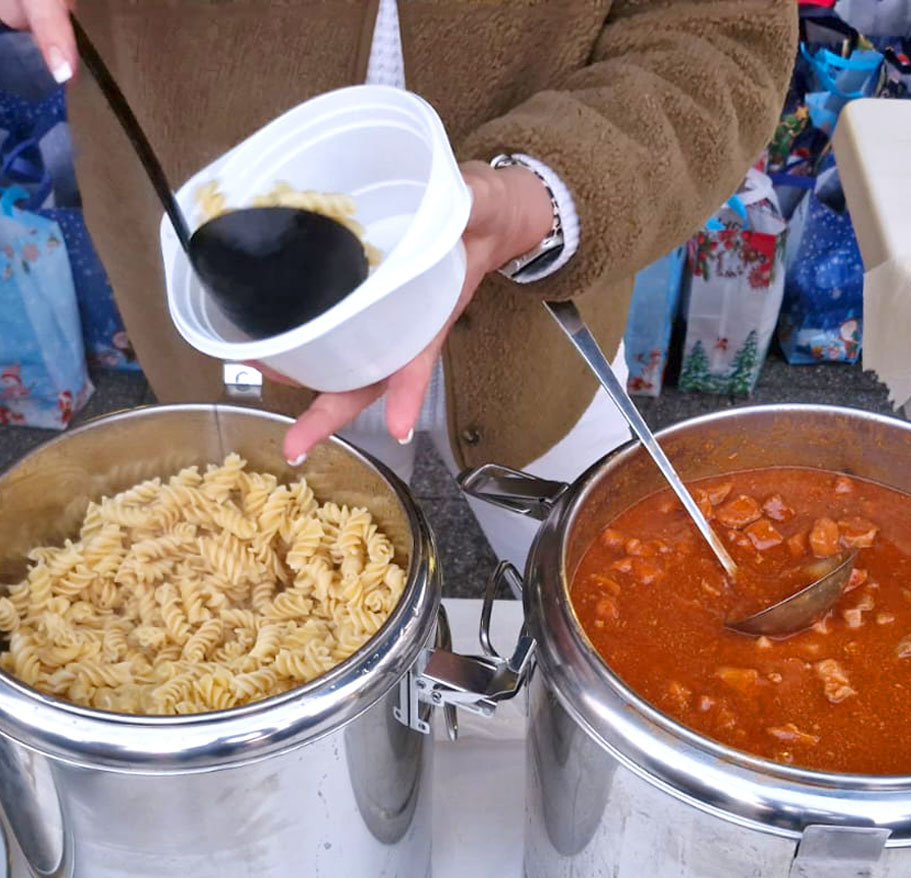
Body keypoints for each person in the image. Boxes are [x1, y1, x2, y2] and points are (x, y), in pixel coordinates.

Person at [1, 0, 797, 567]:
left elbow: (715, 27)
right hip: (249, 344)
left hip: (541, 325)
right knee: (282, 621)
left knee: (613, 583)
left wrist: (547, 190)